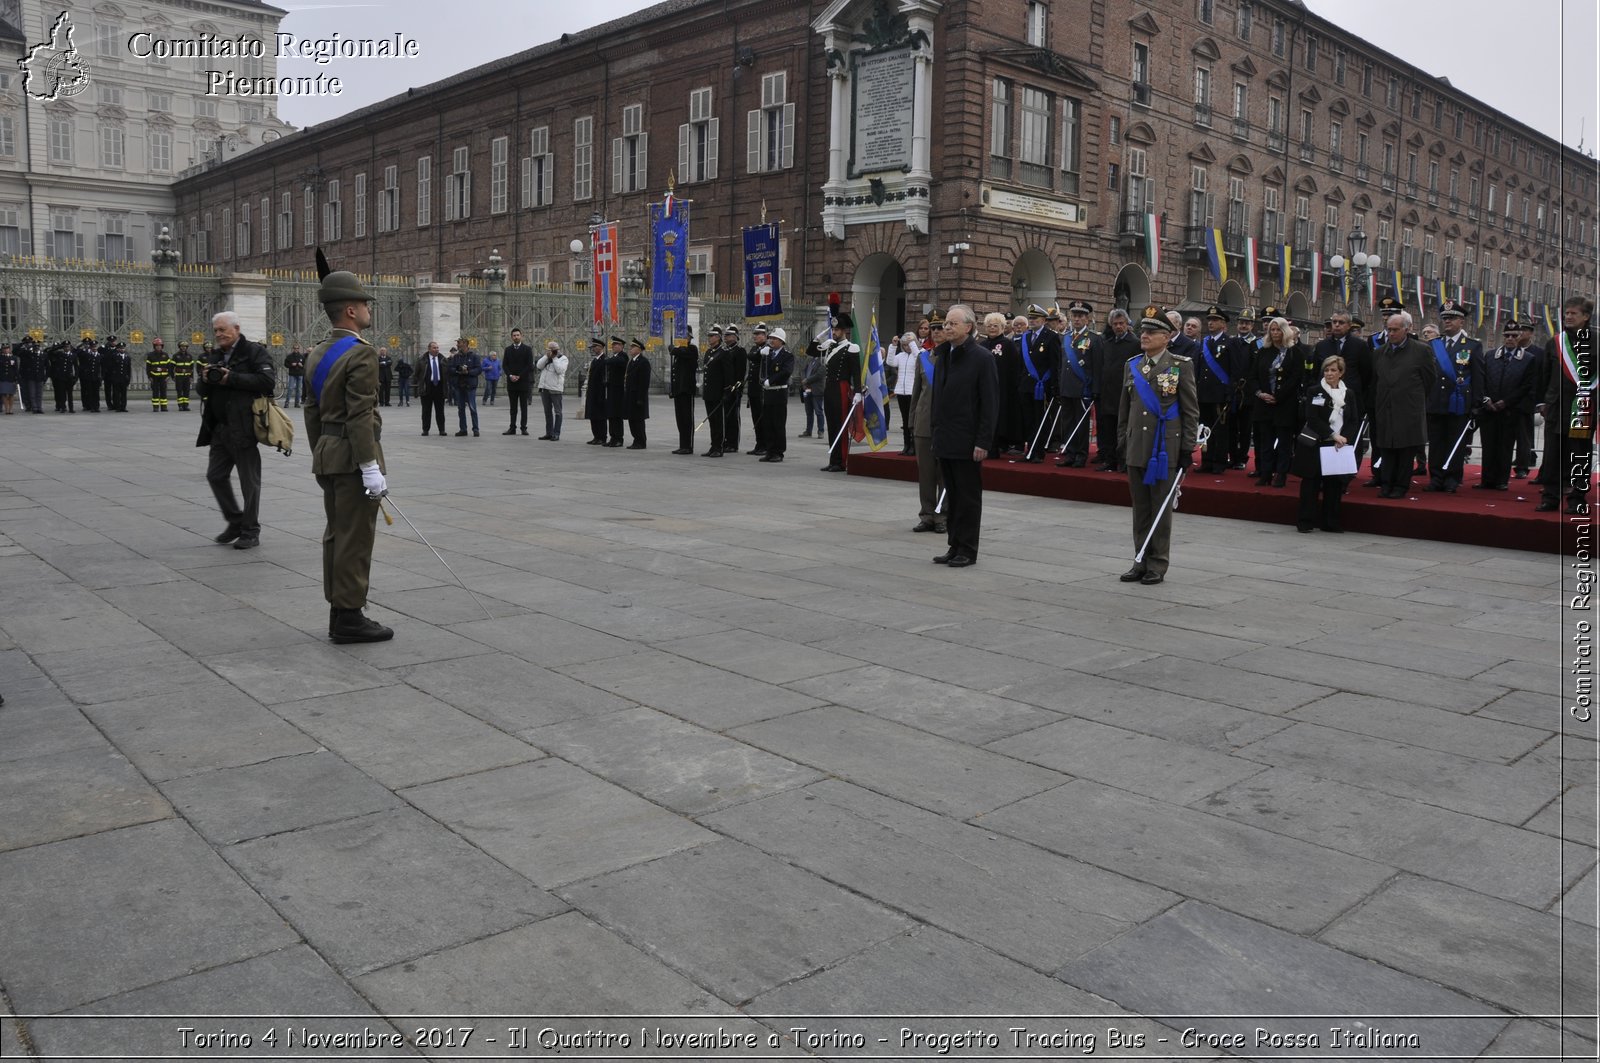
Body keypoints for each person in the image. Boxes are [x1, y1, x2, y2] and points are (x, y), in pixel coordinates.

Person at [303, 257, 393, 644]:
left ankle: (340, 610)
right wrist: (369, 465)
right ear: (352, 311)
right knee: (355, 538)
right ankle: (350, 616)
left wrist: (323, 449)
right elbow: (360, 416)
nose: (369, 310)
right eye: (366, 304)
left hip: (328, 454)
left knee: (337, 535)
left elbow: (312, 412)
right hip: (354, 459)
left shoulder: (317, 353)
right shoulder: (362, 353)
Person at [1118, 307, 1200, 585]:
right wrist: (1122, 442)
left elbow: (1191, 411)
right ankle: (1139, 559)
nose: (1145, 336)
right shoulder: (1132, 365)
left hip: (1165, 449)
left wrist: (1188, 448)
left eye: (1152, 332)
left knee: (1160, 509)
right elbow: (1124, 410)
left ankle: (1157, 564)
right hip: (1137, 446)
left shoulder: (1180, 365)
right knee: (1140, 507)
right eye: (1143, 331)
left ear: (1167, 337)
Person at [195, 311, 275, 550]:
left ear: (236, 328)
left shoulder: (254, 352)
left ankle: (250, 530)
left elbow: (267, 382)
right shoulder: (215, 354)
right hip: (219, 428)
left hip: (244, 427)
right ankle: (235, 520)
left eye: (222, 330)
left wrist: (232, 378)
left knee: (249, 482)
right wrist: (205, 378)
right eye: (216, 331)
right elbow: (202, 391)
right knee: (215, 476)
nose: (219, 335)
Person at [929, 305, 997, 568]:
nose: (946, 328)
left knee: (968, 497)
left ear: (968, 327)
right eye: (946, 323)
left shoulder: (982, 358)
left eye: (952, 324)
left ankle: (968, 549)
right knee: (952, 496)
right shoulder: (944, 355)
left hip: (968, 440)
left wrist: (983, 441)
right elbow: (938, 398)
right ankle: (954, 544)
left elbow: (989, 403)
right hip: (946, 437)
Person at [1371, 310, 1440, 499]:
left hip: (1408, 409)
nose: (1391, 333)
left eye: (1395, 329)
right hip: (1385, 408)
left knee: (1405, 450)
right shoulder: (1379, 353)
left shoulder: (1421, 350)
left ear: (1406, 329)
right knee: (1386, 448)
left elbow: (1429, 379)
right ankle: (1386, 484)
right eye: (1389, 329)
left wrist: (1412, 396)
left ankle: (1401, 485)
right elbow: (1375, 380)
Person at [1536, 296, 1596, 514]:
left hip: (1582, 407)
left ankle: (1576, 499)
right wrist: (1543, 401)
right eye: (1567, 313)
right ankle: (1550, 498)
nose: (1568, 317)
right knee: (1552, 455)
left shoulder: (1597, 341)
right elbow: (1545, 375)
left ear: (1586, 317)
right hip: (1556, 406)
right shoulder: (1555, 342)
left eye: (1574, 313)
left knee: (1579, 455)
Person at [1292, 355, 1361, 532]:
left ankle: (1330, 522)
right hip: (1317, 442)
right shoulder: (1315, 391)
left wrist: (1344, 437)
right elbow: (1312, 418)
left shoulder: (1349, 394)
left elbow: (1353, 420)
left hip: (1337, 445)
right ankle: (1305, 521)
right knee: (1311, 484)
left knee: (1334, 485)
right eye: (1327, 370)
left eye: (1333, 370)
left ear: (1341, 373)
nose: (1329, 374)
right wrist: (1332, 434)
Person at [1423, 301, 1484, 493]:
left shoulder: (1472, 346)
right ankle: (1436, 478)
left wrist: (1476, 404)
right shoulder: (1434, 344)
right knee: (1436, 443)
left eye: (1451, 318)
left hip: (1458, 403)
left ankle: (1452, 478)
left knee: (1455, 443)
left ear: (1461, 321)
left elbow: (1478, 376)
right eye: (1444, 318)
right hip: (1436, 401)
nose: (1447, 321)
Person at [1476, 317, 1539, 491]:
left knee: (1505, 446)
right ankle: (1486, 479)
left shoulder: (1528, 359)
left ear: (1519, 337)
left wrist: (1507, 402)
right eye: (1507, 335)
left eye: (1514, 335)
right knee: (1488, 445)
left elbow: (1527, 385)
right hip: (1489, 409)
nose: (1510, 338)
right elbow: (1483, 379)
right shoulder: (1490, 355)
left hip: (1510, 410)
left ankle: (1501, 480)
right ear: (1503, 337)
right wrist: (1486, 399)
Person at [1249, 316, 1308, 487]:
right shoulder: (1263, 351)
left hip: (1285, 403)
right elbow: (1253, 376)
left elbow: (1296, 377)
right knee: (1265, 441)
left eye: (1278, 330)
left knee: (1284, 441)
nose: (1275, 333)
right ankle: (1265, 472)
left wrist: (1279, 396)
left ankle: (1281, 473)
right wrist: (1261, 393)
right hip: (1264, 403)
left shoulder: (1294, 352)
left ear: (1285, 331)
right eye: (1272, 330)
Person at [910, 313, 946, 534]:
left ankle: (942, 515)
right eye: (934, 329)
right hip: (924, 422)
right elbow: (916, 392)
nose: (937, 332)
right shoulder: (922, 358)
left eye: (941, 328)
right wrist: (912, 420)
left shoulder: (954, 358)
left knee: (944, 474)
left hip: (946, 424)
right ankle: (927, 515)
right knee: (925, 473)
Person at [1054, 300, 1101, 467]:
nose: (1077, 319)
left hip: (1083, 389)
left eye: (1080, 316)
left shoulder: (1094, 339)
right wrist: (1059, 386)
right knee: (1067, 422)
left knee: (1081, 425)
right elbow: (1061, 364)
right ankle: (1070, 453)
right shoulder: (1065, 338)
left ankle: (1081, 455)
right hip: (1066, 387)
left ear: (1087, 319)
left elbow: (1096, 366)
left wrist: (1095, 389)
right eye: (1074, 316)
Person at [1016, 304, 1061, 461]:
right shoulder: (1026, 337)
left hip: (1043, 386)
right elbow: (1021, 363)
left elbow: (1055, 364)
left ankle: (1038, 452)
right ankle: (1030, 449)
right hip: (1027, 385)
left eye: (1035, 318)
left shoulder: (1051, 337)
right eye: (1030, 318)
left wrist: (1055, 387)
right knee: (1028, 419)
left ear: (1043, 320)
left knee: (1040, 419)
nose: (1032, 321)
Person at [818, 312, 862, 471]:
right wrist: (819, 337)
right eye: (833, 330)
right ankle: (833, 459)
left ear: (844, 331)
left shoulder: (851, 348)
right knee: (831, 423)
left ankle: (841, 461)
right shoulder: (830, 346)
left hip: (842, 387)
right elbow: (811, 350)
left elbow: (856, 373)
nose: (834, 332)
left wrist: (858, 392)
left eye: (837, 330)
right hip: (829, 388)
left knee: (841, 424)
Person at [1095, 309, 1138, 471]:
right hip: (1107, 394)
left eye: (1121, 323)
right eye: (1115, 324)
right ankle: (1110, 460)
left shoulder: (1135, 343)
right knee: (1108, 429)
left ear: (1127, 324)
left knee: (1124, 430)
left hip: (1124, 394)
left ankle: (1125, 461)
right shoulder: (1107, 343)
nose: (1118, 327)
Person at [758, 327, 794, 462]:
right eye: (771, 338)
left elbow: (786, 372)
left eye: (774, 339)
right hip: (768, 393)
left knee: (778, 423)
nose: (771, 341)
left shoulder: (787, 355)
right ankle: (770, 450)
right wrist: (762, 355)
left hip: (779, 391)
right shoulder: (768, 354)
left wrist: (771, 380)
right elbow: (761, 369)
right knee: (767, 423)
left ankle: (778, 452)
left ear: (781, 341)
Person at [701, 326, 733, 457]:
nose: (709, 338)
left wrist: (727, 391)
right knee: (712, 421)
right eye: (709, 336)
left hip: (718, 392)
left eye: (712, 336)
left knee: (718, 420)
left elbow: (728, 374)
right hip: (709, 393)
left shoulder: (724, 352)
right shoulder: (709, 352)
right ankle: (713, 445)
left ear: (718, 337)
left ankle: (718, 447)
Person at [668, 327, 699, 454]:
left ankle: (688, 446)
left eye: (685, 337)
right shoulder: (679, 352)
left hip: (687, 390)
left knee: (687, 419)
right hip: (679, 390)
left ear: (689, 338)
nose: (682, 339)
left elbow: (683, 353)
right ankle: (683, 445)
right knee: (680, 419)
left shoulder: (692, 349)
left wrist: (674, 349)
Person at [887, 332, 917, 454]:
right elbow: (890, 362)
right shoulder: (901, 356)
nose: (907, 347)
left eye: (908, 344)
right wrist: (893, 346)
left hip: (912, 392)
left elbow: (919, 357)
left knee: (912, 421)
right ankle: (906, 445)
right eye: (904, 345)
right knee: (905, 420)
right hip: (901, 391)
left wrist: (913, 344)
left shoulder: (918, 354)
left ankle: (914, 446)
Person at [502, 328, 535, 435]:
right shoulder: (508, 350)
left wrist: (519, 376)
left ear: (521, 336)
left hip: (523, 382)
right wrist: (510, 375)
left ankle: (523, 427)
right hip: (512, 383)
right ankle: (512, 427)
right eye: (514, 335)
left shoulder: (527, 349)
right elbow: (505, 365)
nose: (516, 337)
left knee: (523, 407)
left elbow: (530, 366)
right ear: (511, 337)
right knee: (513, 407)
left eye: (517, 335)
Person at [535, 341, 568, 440]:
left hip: (555, 389)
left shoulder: (563, 358)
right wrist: (546, 356)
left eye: (553, 349)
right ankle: (548, 433)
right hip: (544, 388)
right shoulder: (546, 358)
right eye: (550, 348)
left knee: (558, 412)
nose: (551, 351)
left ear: (558, 349)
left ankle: (556, 433)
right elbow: (538, 366)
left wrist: (554, 357)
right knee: (547, 412)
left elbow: (560, 370)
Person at [745, 322, 770, 455]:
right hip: (753, 389)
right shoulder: (756, 349)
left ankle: (765, 445)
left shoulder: (767, 349)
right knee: (756, 419)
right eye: (754, 334)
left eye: (758, 334)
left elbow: (753, 357)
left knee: (762, 419)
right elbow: (751, 356)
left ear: (765, 336)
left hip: (762, 390)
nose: (755, 337)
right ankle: (759, 444)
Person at [449, 339, 481, 436]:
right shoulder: (456, 357)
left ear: (466, 345)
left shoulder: (474, 356)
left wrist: (469, 371)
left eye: (459, 344)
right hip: (459, 385)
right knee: (461, 408)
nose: (458, 345)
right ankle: (463, 429)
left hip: (470, 385)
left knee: (472, 407)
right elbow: (450, 368)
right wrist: (458, 370)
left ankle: (475, 429)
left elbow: (479, 369)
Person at [623, 337, 651, 448]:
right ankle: (636, 440)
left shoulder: (643, 362)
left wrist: (641, 398)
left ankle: (641, 441)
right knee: (632, 420)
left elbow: (644, 382)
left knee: (638, 420)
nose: (630, 349)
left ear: (639, 349)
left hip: (638, 397)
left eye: (633, 347)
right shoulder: (631, 362)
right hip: (630, 395)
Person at [416, 341, 449, 436]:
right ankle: (425, 429)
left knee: (440, 411)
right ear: (429, 349)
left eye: (437, 347)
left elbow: (447, 373)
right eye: (434, 348)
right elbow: (417, 374)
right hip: (427, 388)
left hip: (439, 387)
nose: (436, 349)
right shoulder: (422, 360)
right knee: (426, 411)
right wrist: (421, 384)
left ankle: (442, 430)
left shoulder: (443, 359)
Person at [799, 335, 824, 438]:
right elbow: (803, 370)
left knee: (818, 411)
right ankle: (808, 431)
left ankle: (820, 431)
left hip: (817, 390)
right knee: (808, 412)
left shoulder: (822, 360)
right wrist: (804, 381)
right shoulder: (809, 360)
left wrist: (807, 380)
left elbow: (820, 374)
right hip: (807, 389)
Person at [584, 338, 609, 444]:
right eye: (593, 347)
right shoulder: (595, 360)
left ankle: (602, 437)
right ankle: (596, 436)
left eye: (595, 347)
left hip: (600, 392)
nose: (593, 349)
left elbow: (604, 378)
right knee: (593, 415)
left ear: (601, 347)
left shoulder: (605, 360)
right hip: (592, 392)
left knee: (600, 416)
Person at [16, 337, 46, 414]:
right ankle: (29, 405)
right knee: (26, 392)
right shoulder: (25, 352)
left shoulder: (36, 353)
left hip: (34, 375)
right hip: (25, 374)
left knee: (37, 393)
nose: (28, 344)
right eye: (27, 343)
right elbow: (15, 352)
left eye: (30, 342)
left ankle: (36, 407)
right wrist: (23, 344)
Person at [101, 337, 132, 412]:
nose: (113, 342)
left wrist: (128, 378)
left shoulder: (123, 354)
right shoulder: (104, 348)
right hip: (109, 373)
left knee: (119, 392)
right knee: (109, 390)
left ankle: (118, 405)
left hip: (120, 376)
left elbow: (128, 368)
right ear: (108, 342)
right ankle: (110, 405)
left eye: (114, 341)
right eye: (111, 341)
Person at [48, 339, 78, 412]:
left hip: (69, 377)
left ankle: (71, 408)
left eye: (68, 347)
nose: (66, 348)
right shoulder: (60, 354)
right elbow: (50, 352)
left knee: (70, 394)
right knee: (62, 393)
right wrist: (59, 347)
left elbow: (76, 367)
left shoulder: (73, 355)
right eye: (65, 347)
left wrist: (76, 377)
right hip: (61, 376)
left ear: (70, 347)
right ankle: (63, 407)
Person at [72, 338, 100, 413]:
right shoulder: (81, 351)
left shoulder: (95, 352)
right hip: (83, 373)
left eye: (88, 344)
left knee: (92, 390)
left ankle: (92, 405)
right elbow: (74, 352)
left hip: (92, 374)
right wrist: (79, 346)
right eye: (85, 344)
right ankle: (85, 405)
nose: (87, 345)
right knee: (84, 390)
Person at [144, 338, 171, 413]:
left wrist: (168, 375)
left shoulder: (165, 355)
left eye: (160, 345)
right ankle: (155, 407)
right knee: (155, 392)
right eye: (157, 345)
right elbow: (148, 367)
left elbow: (169, 366)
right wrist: (149, 376)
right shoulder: (150, 355)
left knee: (163, 392)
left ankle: (164, 407)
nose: (158, 347)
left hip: (163, 377)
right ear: (154, 346)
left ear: (162, 346)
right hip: (154, 377)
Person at [171, 341, 196, 412]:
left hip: (187, 377)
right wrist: (173, 376)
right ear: (179, 347)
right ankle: (180, 406)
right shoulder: (175, 356)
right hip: (179, 377)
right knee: (179, 391)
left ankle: (186, 406)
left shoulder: (189, 356)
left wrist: (191, 377)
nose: (184, 347)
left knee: (186, 391)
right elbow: (171, 367)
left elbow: (191, 368)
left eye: (185, 346)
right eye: (182, 346)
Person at [0, 343, 17, 414]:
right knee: (4, 394)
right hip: (3, 378)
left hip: (11, 378)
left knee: (11, 394)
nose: (6, 350)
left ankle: (11, 409)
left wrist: (16, 378)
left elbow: (16, 369)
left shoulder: (13, 358)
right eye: (5, 349)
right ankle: (6, 409)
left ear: (10, 350)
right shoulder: (1, 357)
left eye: (7, 348)